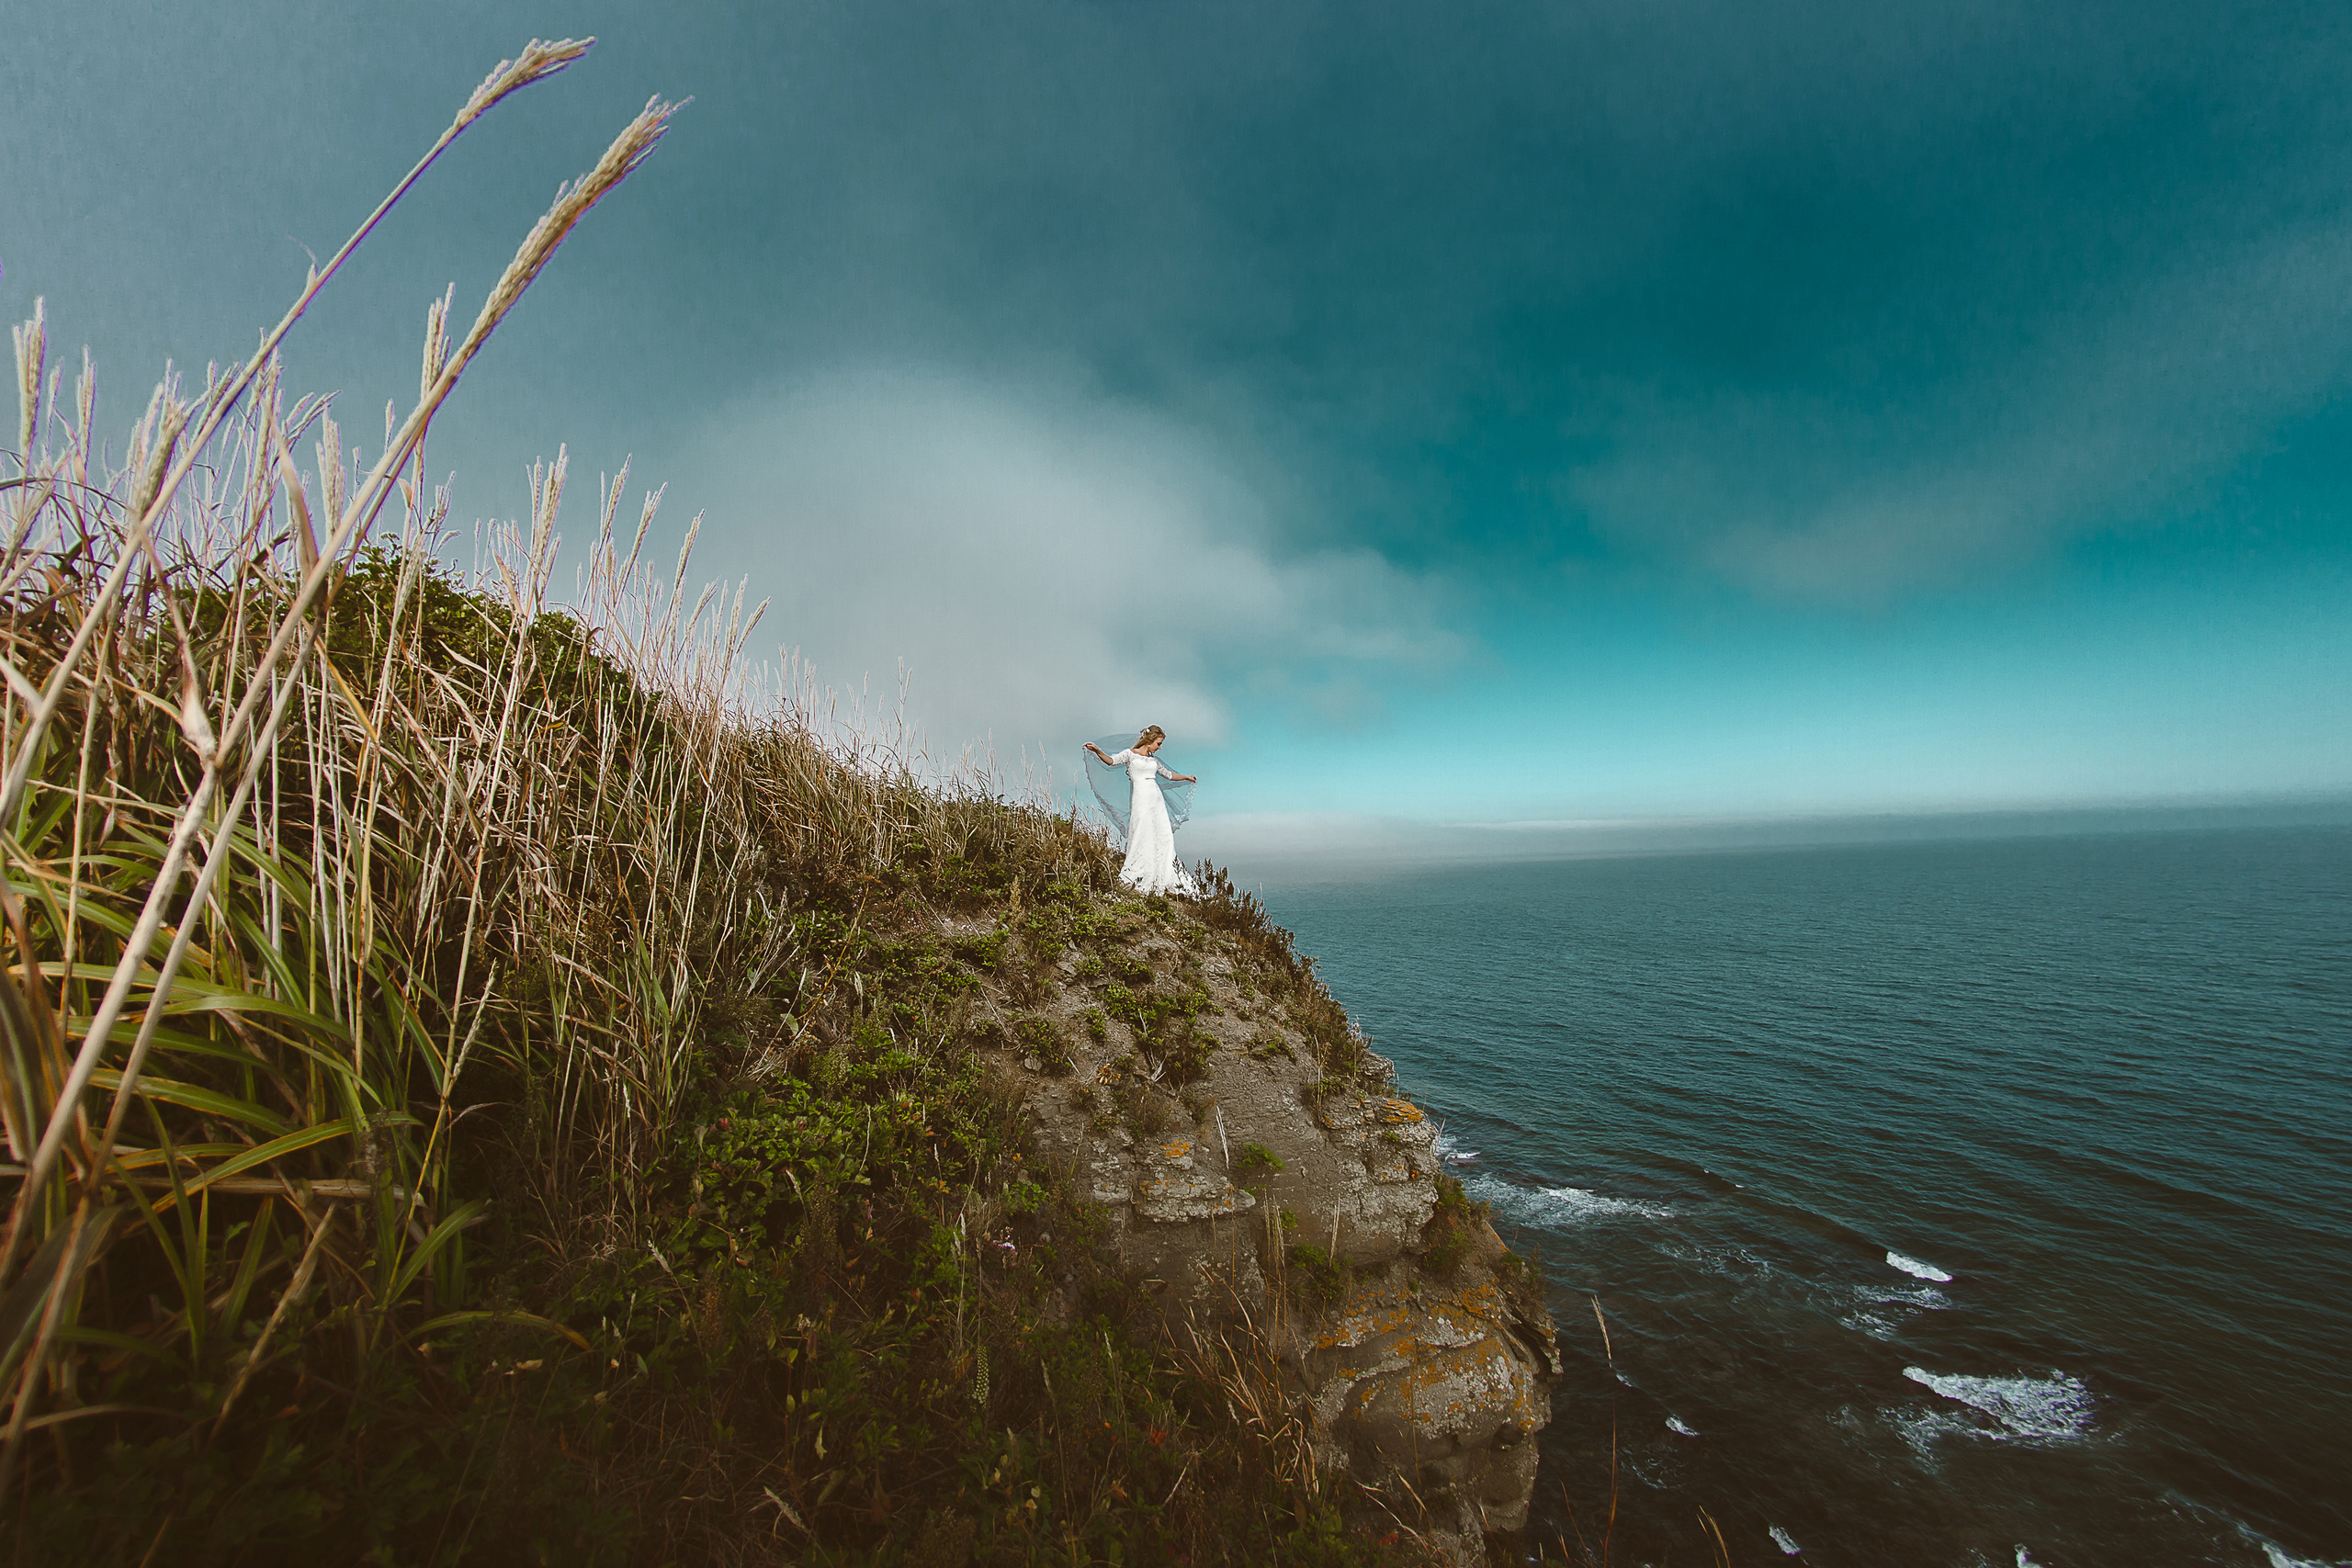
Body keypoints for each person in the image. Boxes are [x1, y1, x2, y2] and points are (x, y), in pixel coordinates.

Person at [1083, 726, 1197, 895]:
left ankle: (1164, 876)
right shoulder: (1129, 754)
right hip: (1140, 798)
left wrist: (1186, 776)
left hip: (1156, 798)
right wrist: (1098, 751)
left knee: (1163, 834)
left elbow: (1168, 775)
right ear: (1149, 741)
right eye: (1158, 744)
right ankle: (1138, 874)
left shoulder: (1153, 760)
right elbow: (1111, 761)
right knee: (1141, 832)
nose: (1160, 747)